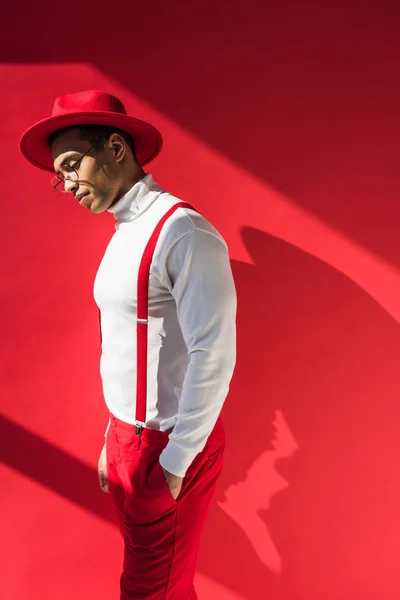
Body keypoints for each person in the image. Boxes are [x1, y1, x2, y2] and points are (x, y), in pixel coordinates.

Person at [19, 90, 237, 599]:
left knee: (149, 593)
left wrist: (176, 460)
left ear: (116, 147)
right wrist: (112, 437)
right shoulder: (125, 229)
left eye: (73, 164)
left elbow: (215, 353)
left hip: (167, 445)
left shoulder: (181, 232)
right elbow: (127, 344)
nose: (67, 184)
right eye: (60, 174)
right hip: (127, 442)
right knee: (165, 589)